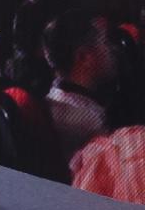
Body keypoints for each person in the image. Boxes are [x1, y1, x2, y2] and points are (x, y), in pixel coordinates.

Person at [42, 10, 120, 165]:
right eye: (104, 43)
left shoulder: (53, 98)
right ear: (84, 57)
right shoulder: (88, 124)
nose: (112, 50)